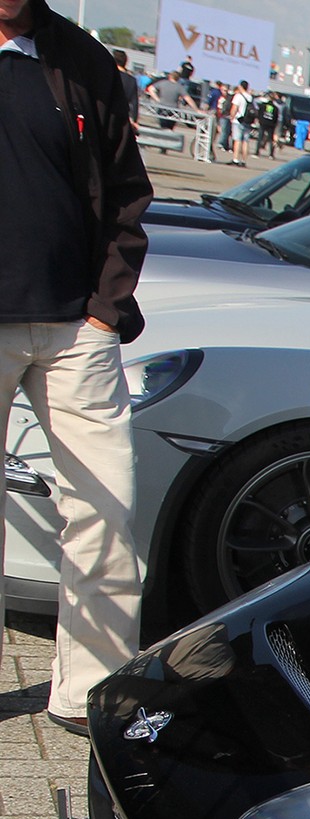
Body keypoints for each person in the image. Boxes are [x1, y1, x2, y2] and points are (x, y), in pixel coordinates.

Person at [0, 0, 152, 734]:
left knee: (105, 511)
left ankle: (87, 691)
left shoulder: (81, 60)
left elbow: (126, 192)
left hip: (74, 330)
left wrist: (103, 309)